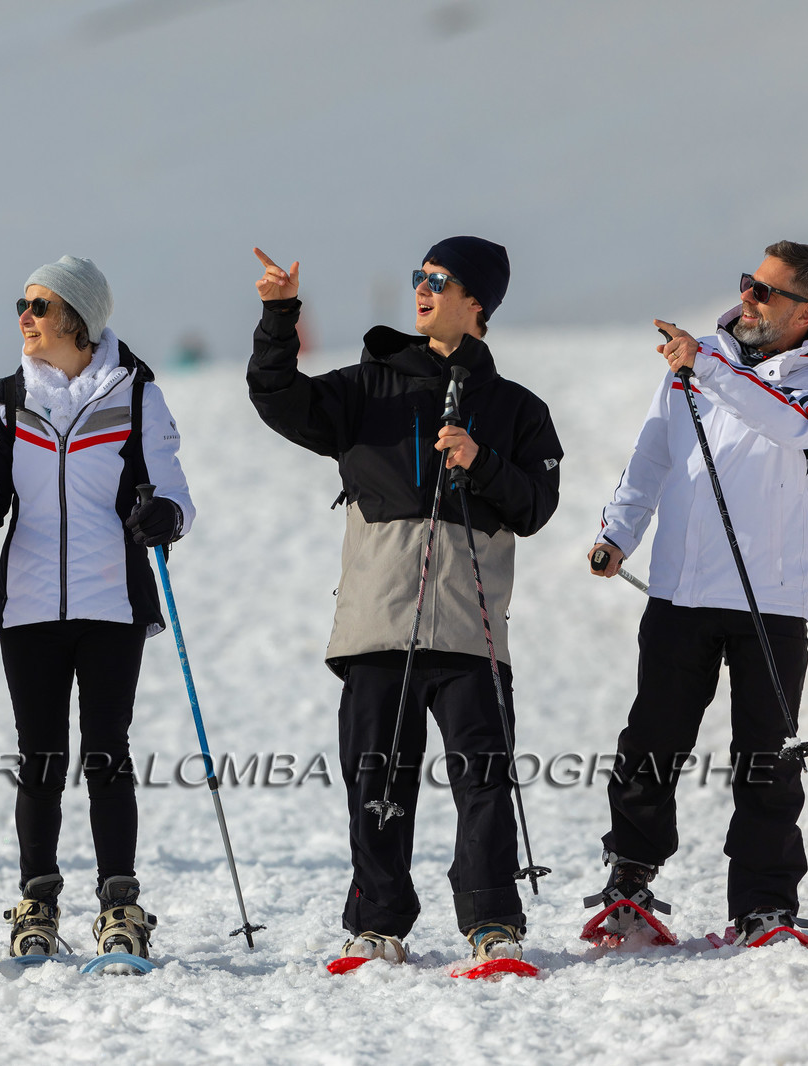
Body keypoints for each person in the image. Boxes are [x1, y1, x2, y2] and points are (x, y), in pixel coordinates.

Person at [248, 238, 563, 967]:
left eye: (439, 280)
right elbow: (277, 397)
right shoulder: (366, 387)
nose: (421, 287)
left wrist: (480, 461)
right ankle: (377, 923)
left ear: (476, 304)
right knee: (375, 783)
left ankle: (492, 924)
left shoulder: (519, 410)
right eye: (419, 276)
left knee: (484, 785)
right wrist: (277, 316)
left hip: (469, 634)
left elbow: (536, 506)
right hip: (378, 626)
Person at [585, 241, 808, 945]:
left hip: (771, 602)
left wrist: (704, 367)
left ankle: (763, 906)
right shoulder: (695, 362)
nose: (748, 299)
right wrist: (619, 533)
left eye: (767, 292)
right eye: (748, 284)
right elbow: (651, 456)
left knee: (767, 759)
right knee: (651, 744)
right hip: (680, 592)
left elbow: (786, 423)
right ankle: (629, 886)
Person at [0, 256, 194, 965]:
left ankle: (121, 902)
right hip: (28, 604)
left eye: (39, 306)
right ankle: (37, 899)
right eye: (21, 304)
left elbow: (174, 488)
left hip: (111, 600)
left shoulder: (136, 391)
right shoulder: (4, 397)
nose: (25, 317)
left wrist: (165, 515)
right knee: (40, 757)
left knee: (107, 752)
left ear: (79, 320)